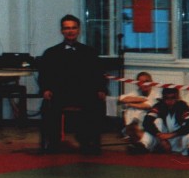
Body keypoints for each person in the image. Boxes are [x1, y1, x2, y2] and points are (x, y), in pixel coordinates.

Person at [38, 14, 107, 155]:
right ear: (61, 31)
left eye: (73, 28)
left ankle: (89, 142)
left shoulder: (90, 52)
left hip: (84, 93)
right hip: (60, 94)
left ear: (79, 30)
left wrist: (101, 89)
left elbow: (99, 74)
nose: (70, 31)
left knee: (96, 104)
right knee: (48, 107)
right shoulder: (51, 53)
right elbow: (44, 75)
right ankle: (52, 142)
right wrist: (45, 89)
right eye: (67, 28)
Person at [130, 87, 189, 155]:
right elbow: (147, 121)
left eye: (173, 98)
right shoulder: (159, 106)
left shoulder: (182, 106)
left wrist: (172, 135)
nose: (170, 101)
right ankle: (143, 145)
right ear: (163, 98)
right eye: (167, 98)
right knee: (158, 121)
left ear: (177, 97)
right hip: (163, 139)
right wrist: (159, 136)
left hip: (178, 139)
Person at [119, 71, 160, 142]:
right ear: (138, 84)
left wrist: (131, 104)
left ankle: (136, 133)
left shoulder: (157, 94)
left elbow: (147, 106)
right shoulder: (136, 92)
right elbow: (122, 99)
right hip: (136, 121)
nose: (144, 84)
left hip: (149, 119)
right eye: (141, 82)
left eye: (146, 81)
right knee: (130, 109)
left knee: (135, 108)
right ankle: (131, 130)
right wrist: (141, 99)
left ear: (151, 82)